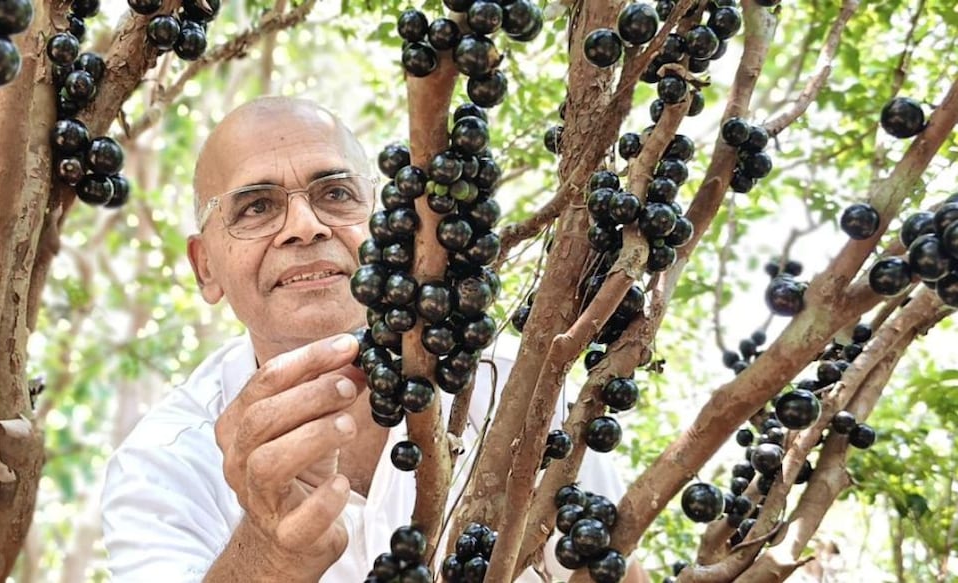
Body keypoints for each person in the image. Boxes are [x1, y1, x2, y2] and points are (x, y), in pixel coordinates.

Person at [100, 96, 648, 582]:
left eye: (336, 193)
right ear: (206, 269)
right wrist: (271, 556)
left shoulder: (516, 394)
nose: (304, 225)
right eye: (257, 207)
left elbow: (604, 564)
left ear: (388, 225)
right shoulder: (165, 465)